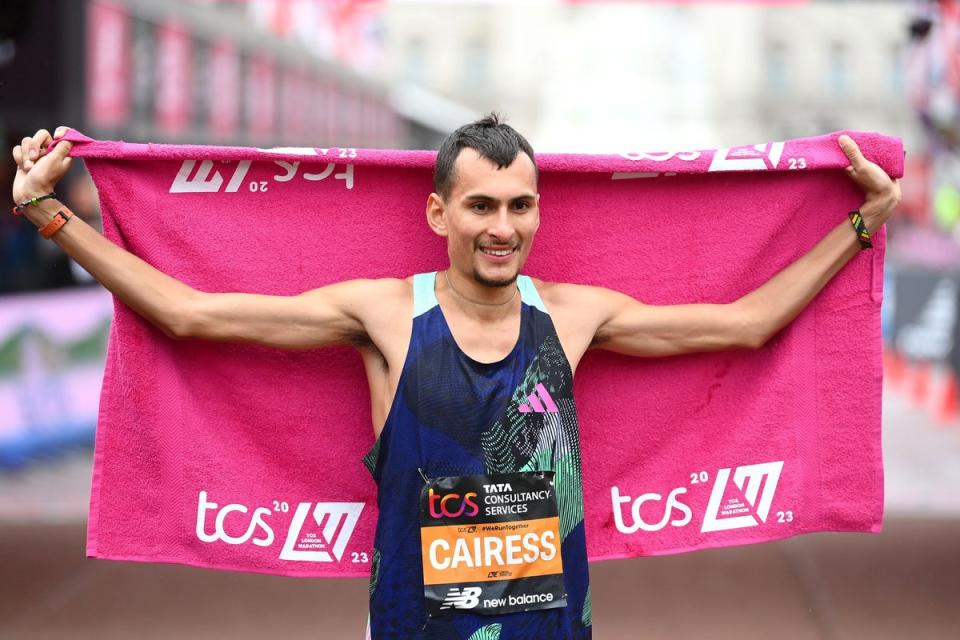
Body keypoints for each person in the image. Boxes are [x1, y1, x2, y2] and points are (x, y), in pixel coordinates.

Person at [11, 115, 900, 640]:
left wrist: (862, 224)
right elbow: (188, 314)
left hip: (552, 627)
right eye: (480, 205)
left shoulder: (576, 315)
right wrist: (50, 215)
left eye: (519, 205)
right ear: (440, 210)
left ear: (539, 209)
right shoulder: (384, 314)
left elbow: (747, 326)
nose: (501, 226)